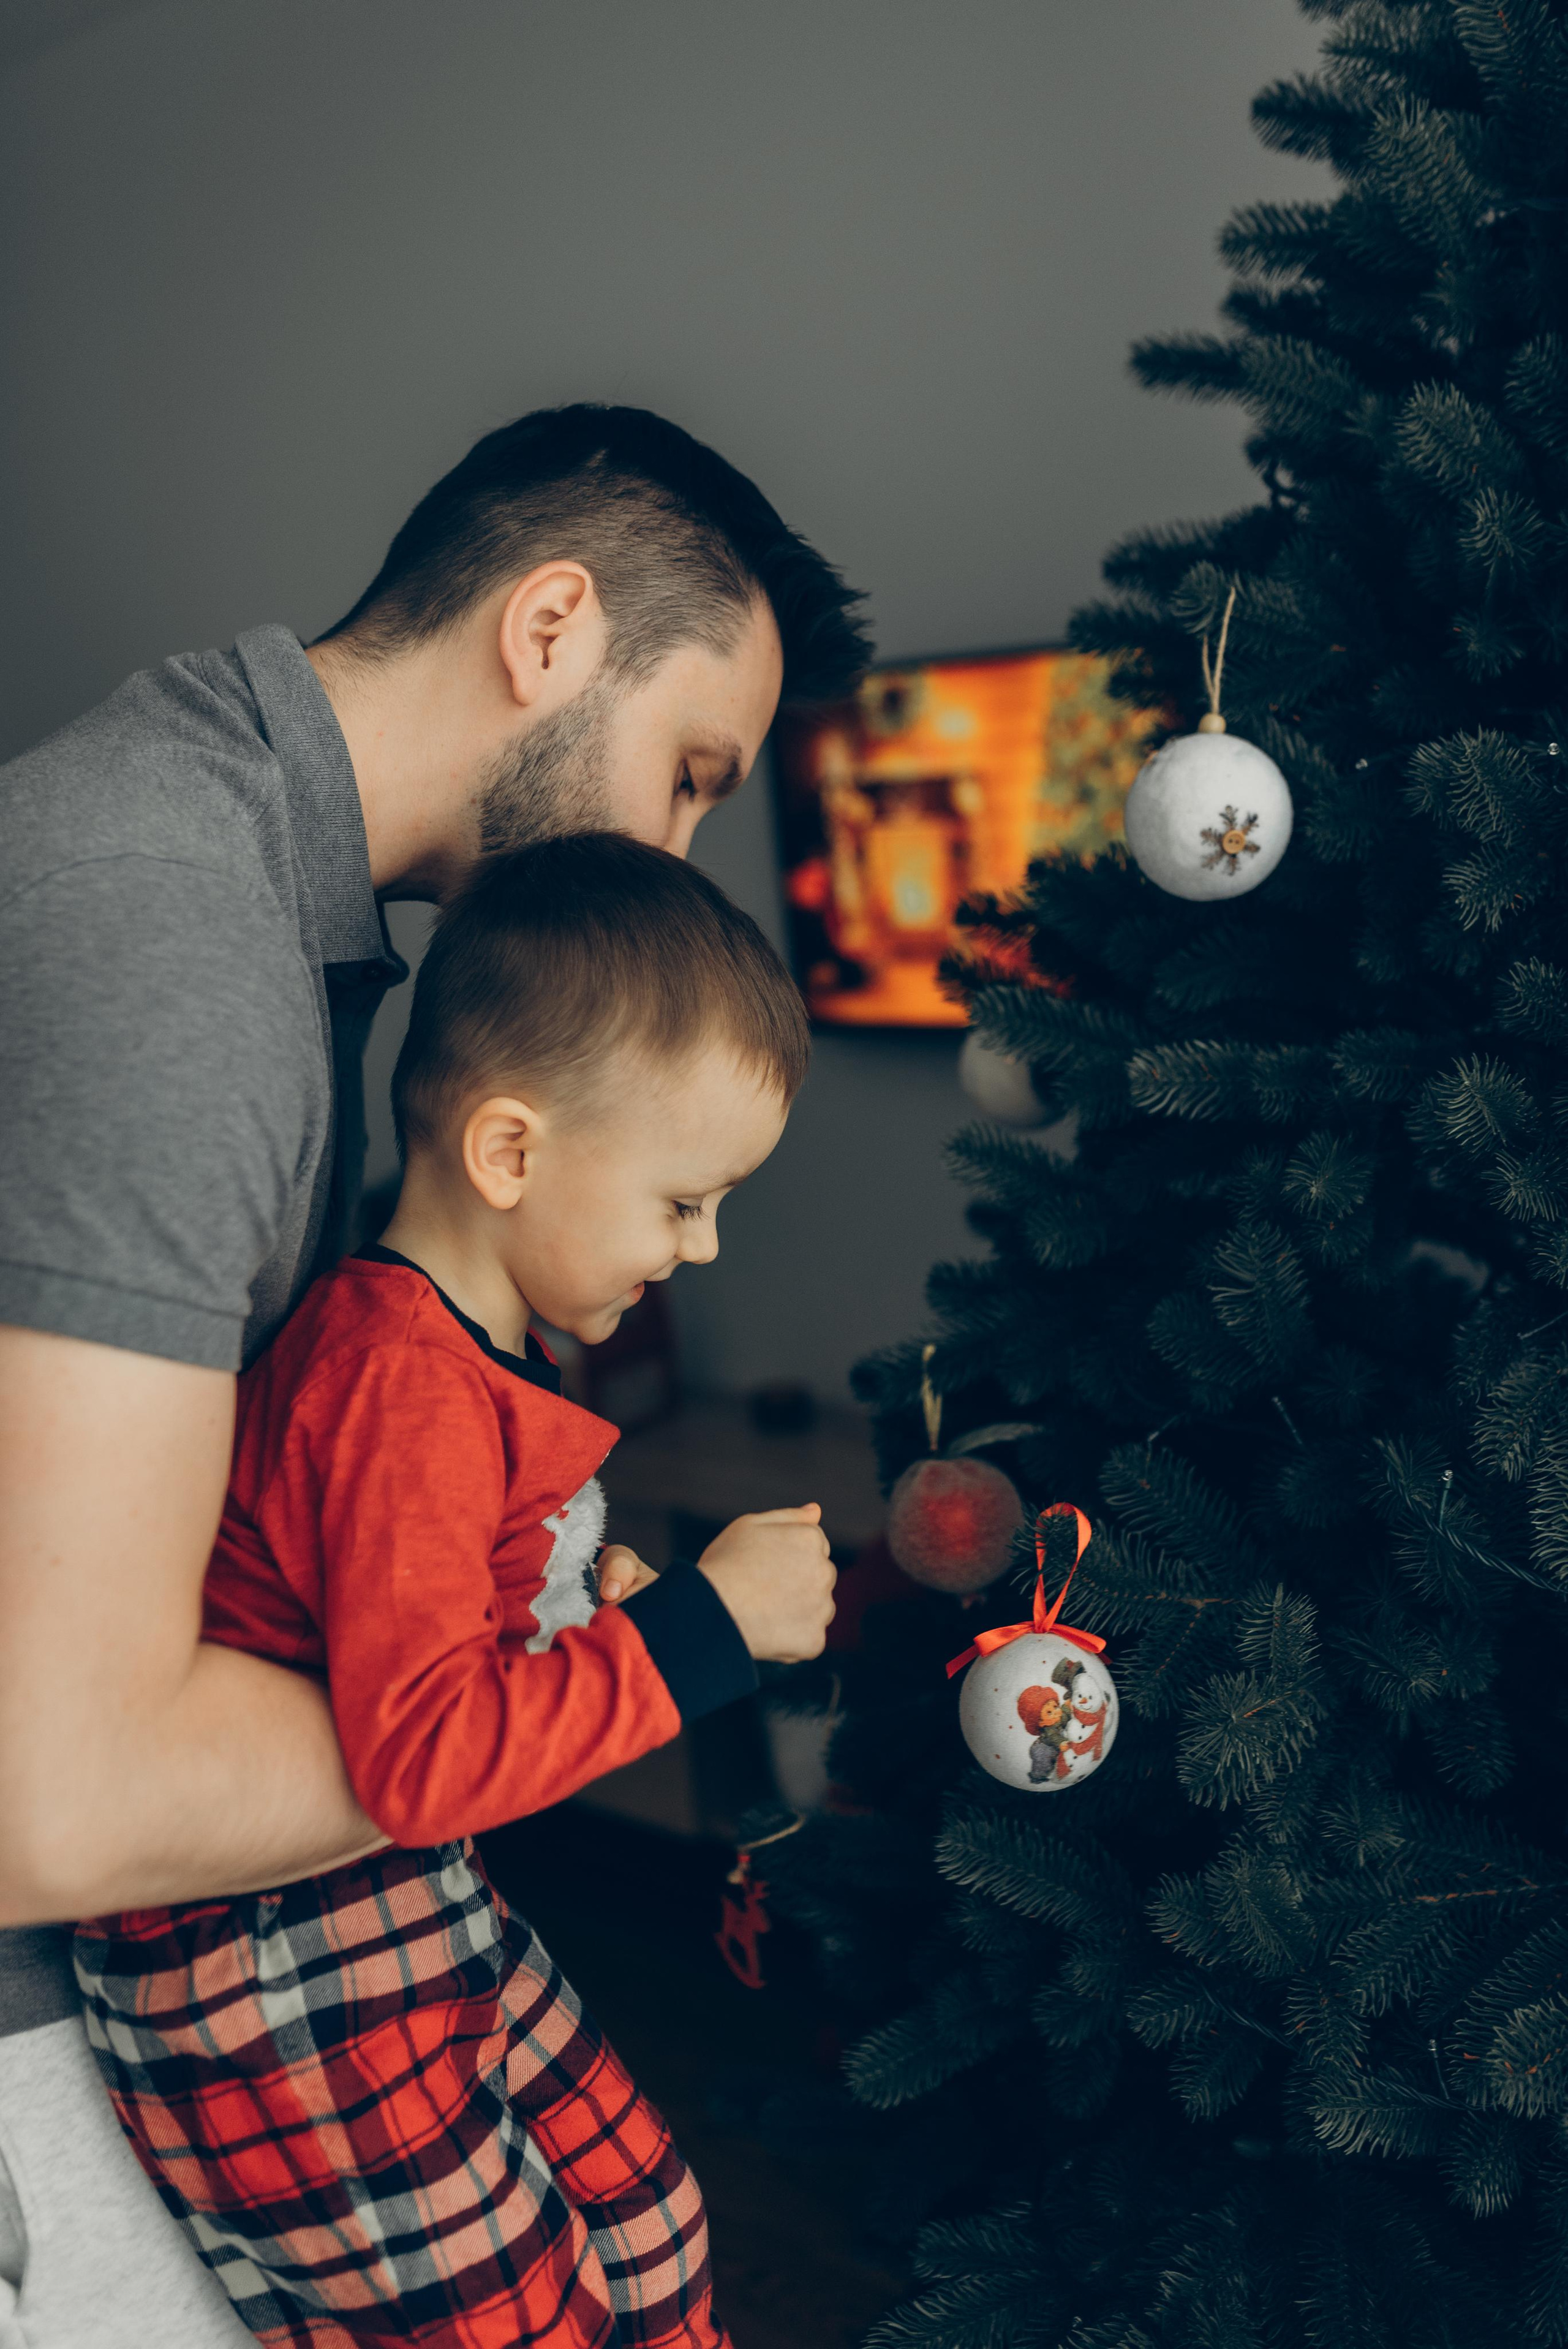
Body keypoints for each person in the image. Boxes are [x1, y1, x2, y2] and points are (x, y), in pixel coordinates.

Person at [0, 403, 868, 2347]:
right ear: (549, 631)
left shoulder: (268, 907)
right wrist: (613, 1672)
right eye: (691, 773)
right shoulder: (171, 950)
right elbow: (58, 1788)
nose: (682, 857)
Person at [74, 833, 829, 2349]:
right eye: (682, 1203)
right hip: (275, 1959)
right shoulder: (396, 1384)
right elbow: (422, 1758)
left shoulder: (470, 1362)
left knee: (653, 2224)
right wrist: (698, 1632)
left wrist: (597, 1625)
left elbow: (449, 1656)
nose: (700, 1247)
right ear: (507, 1155)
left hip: (398, 1904)